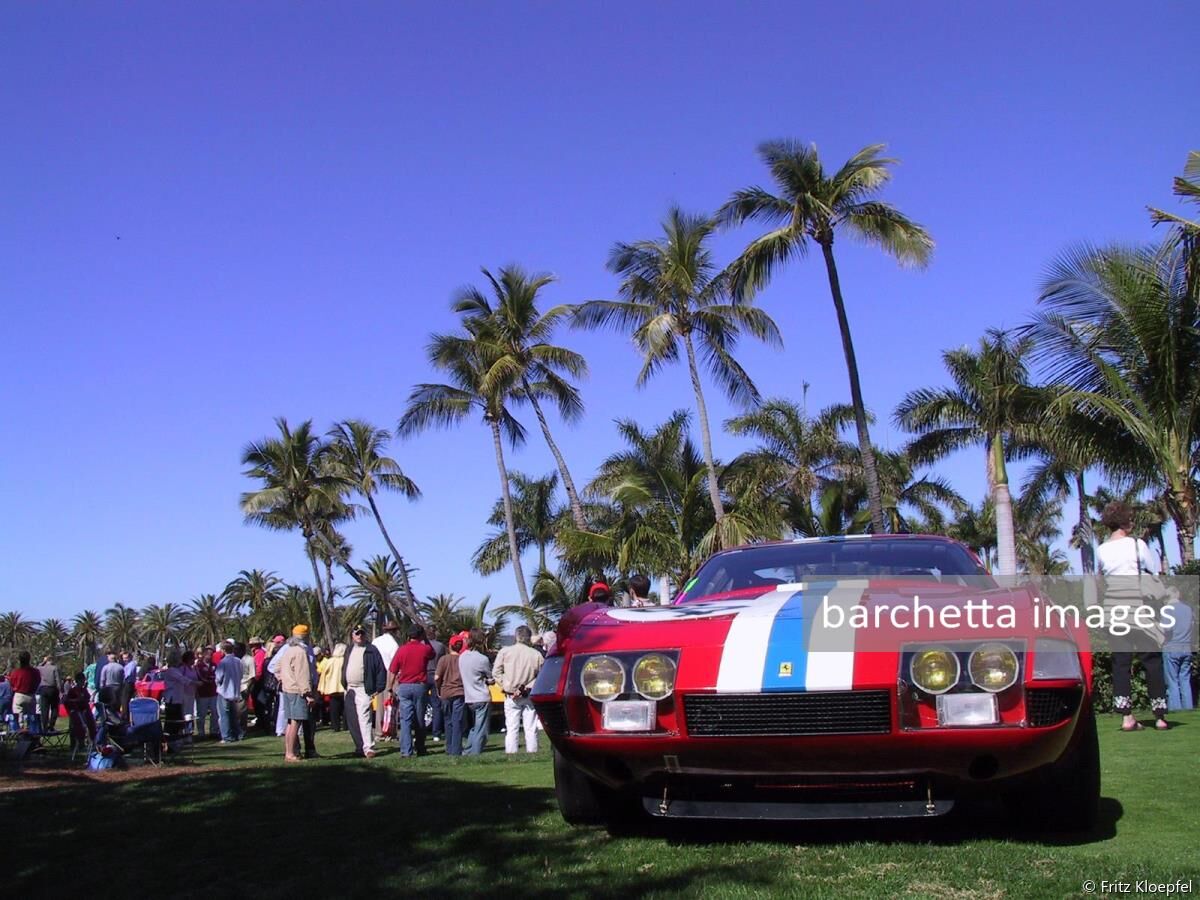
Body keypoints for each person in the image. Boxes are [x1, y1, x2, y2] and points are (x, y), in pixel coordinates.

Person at [1096, 501, 1169, 730]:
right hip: (1138, 608)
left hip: (1113, 611)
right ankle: (1160, 716)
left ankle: (1126, 717)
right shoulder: (1138, 545)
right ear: (1126, 521)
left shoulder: (1101, 550)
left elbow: (1101, 580)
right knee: (1152, 661)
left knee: (1121, 663)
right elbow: (1153, 572)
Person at [492, 625, 545, 755]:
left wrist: (506, 685)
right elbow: (543, 675)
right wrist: (529, 686)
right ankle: (532, 751)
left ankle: (511, 753)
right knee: (531, 727)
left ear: (516, 636)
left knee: (512, 727)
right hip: (528, 694)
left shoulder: (505, 652)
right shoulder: (536, 654)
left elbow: (496, 672)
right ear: (529, 638)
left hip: (511, 694)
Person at [388, 624, 435, 757]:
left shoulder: (402, 650)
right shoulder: (424, 649)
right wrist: (426, 640)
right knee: (420, 719)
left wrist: (390, 687)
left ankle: (406, 750)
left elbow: (393, 670)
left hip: (404, 686)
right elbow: (433, 654)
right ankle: (420, 747)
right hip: (419, 686)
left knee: (405, 720)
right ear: (421, 635)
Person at [343, 626, 387, 758]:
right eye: (357, 634)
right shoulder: (349, 649)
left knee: (364, 718)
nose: (359, 636)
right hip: (349, 688)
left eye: (362, 633)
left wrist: (379, 687)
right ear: (352, 636)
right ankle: (359, 746)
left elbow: (380, 669)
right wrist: (344, 682)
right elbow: (344, 666)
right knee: (352, 720)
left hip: (363, 688)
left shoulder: (371, 650)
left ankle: (369, 748)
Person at [277, 628, 314, 762]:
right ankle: (290, 753)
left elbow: (277, 668)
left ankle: (288, 751)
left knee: (290, 722)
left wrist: (283, 679)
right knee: (296, 722)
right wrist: (307, 693)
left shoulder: (288, 650)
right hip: (297, 690)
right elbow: (302, 674)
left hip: (287, 689)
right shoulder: (300, 652)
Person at [458, 630, 493, 756]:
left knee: (475, 726)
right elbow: (490, 678)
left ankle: (468, 750)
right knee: (481, 728)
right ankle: (475, 752)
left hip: (469, 696)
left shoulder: (462, 657)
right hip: (481, 696)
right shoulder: (482, 659)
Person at [1162, 592, 1195, 711]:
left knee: (1172, 682)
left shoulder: (1168, 610)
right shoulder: (1188, 609)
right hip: (1186, 647)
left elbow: (1167, 628)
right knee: (1185, 680)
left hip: (1172, 647)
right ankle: (1188, 708)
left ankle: (1175, 709)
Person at [435, 634, 466, 756]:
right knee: (457, 721)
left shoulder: (443, 659)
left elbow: (437, 677)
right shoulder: (463, 659)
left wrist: (438, 689)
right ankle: (456, 749)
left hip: (446, 692)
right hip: (459, 691)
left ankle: (449, 747)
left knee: (448, 720)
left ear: (450, 646)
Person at [372, 621, 401, 742]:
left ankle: (379, 732)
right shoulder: (394, 644)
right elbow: (395, 663)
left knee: (380, 705)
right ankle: (390, 732)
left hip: (378, 673)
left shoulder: (376, 641)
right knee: (391, 704)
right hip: (390, 673)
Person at [162, 650, 200, 739]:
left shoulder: (176, 670)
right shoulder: (171, 670)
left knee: (178, 720)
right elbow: (183, 679)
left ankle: (177, 738)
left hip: (178, 698)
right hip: (172, 699)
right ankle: (170, 739)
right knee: (172, 721)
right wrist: (196, 683)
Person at [214, 641, 244, 743]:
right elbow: (241, 674)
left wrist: (218, 683)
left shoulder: (223, 662)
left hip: (224, 691)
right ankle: (237, 733)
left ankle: (226, 736)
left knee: (224, 715)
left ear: (223, 650)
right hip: (234, 691)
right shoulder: (238, 661)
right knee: (233, 715)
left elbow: (218, 677)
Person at [63, 671, 96, 754]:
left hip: (84, 712)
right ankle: (75, 744)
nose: (83, 682)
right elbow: (67, 701)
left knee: (91, 723)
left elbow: (87, 698)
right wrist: (77, 700)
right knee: (75, 726)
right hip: (76, 712)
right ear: (78, 681)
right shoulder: (73, 690)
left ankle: (91, 742)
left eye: (83, 680)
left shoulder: (84, 690)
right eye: (82, 680)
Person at [424, 627, 446, 742]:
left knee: (421, 704)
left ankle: (420, 731)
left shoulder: (422, 645)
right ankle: (436, 733)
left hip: (424, 675)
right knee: (436, 705)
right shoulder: (440, 646)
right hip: (436, 674)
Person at [320, 641, 347, 732]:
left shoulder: (330, 661)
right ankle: (346, 725)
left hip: (332, 687)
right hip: (343, 687)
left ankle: (335, 726)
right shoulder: (345, 661)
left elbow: (323, 674)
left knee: (334, 708)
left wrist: (322, 687)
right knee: (345, 707)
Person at [194, 647, 220, 739]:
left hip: (213, 692)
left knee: (215, 713)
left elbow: (216, 676)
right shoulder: (199, 666)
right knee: (201, 714)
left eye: (211, 654)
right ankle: (201, 733)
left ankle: (214, 731)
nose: (210, 656)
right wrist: (209, 680)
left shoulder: (214, 665)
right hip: (202, 693)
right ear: (204, 655)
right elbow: (200, 678)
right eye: (208, 654)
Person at [8, 652, 41, 723]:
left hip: (19, 695)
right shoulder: (35, 672)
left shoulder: (15, 672)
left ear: (20, 660)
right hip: (31, 695)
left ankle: (20, 727)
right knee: (31, 717)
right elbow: (38, 681)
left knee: (17, 717)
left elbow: (11, 683)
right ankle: (30, 728)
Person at [36, 654, 64, 732]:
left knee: (44, 709)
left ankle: (44, 726)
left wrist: (43, 662)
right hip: (52, 688)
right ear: (52, 660)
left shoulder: (41, 668)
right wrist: (60, 690)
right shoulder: (54, 668)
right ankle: (51, 725)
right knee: (54, 708)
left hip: (43, 689)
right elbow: (58, 680)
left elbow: (37, 667)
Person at [120, 651, 138, 719]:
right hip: (127, 683)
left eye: (126, 658)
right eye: (124, 658)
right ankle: (125, 715)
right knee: (124, 700)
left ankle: (125, 716)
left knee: (125, 700)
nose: (125, 659)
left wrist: (123, 677)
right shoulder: (127, 665)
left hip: (128, 683)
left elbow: (128, 674)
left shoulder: (132, 664)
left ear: (130, 657)